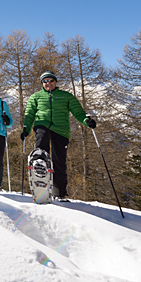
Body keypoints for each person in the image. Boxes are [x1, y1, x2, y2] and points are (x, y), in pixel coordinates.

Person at [20, 71, 96, 199]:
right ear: (42, 83)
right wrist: (25, 130)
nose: (48, 83)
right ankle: (39, 167)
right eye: (45, 81)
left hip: (61, 129)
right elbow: (29, 115)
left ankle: (59, 191)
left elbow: (78, 112)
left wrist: (87, 121)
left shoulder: (66, 96)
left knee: (59, 160)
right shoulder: (35, 97)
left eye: (50, 80)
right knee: (41, 140)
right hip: (42, 124)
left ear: (55, 82)